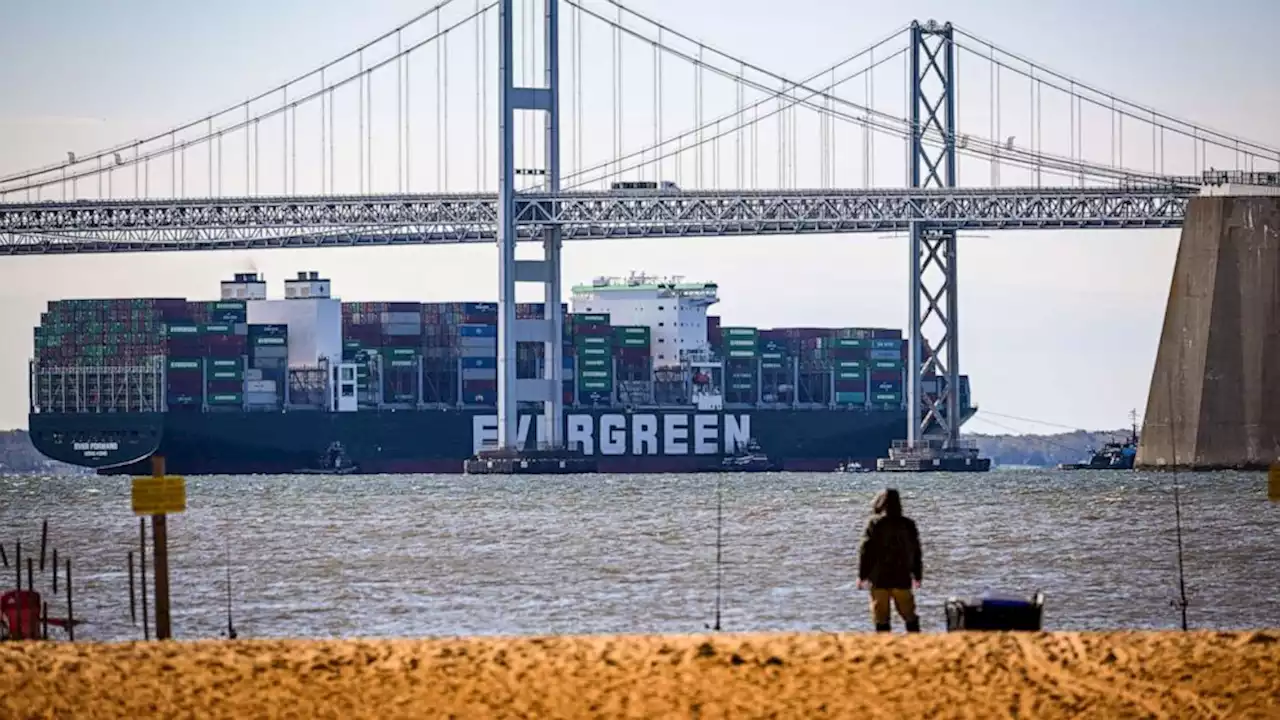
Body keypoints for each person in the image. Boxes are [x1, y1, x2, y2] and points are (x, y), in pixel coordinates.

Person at [857, 488, 923, 632]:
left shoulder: (874, 523)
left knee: (881, 618)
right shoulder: (908, 524)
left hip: (879, 578)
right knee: (909, 615)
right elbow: (917, 551)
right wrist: (917, 575)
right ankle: (916, 643)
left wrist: (862, 575)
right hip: (902, 577)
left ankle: (884, 646)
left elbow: (866, 551)